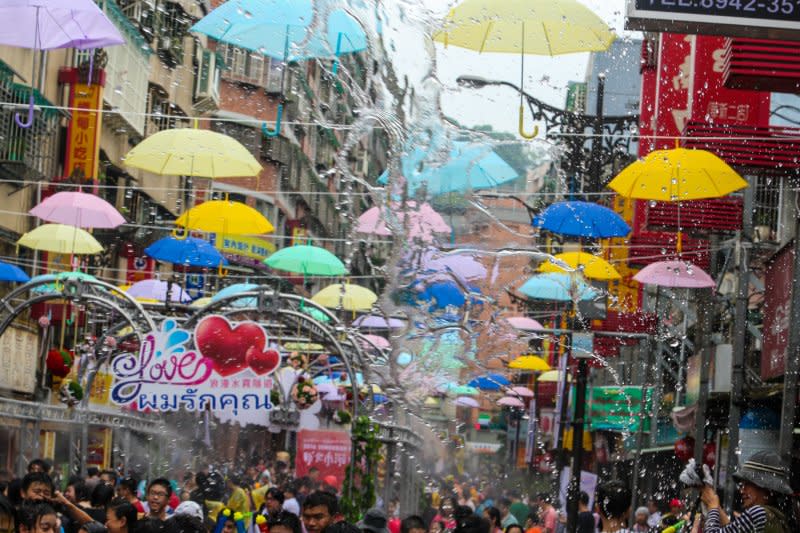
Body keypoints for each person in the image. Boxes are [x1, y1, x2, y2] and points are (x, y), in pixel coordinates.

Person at [700, 450, 793, 533]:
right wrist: (716, 506)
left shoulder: (758, 513)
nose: (742, 490)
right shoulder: (772, 515)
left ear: (763, 486)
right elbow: (731, 529)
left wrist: (712, 507)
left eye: (747, 484)